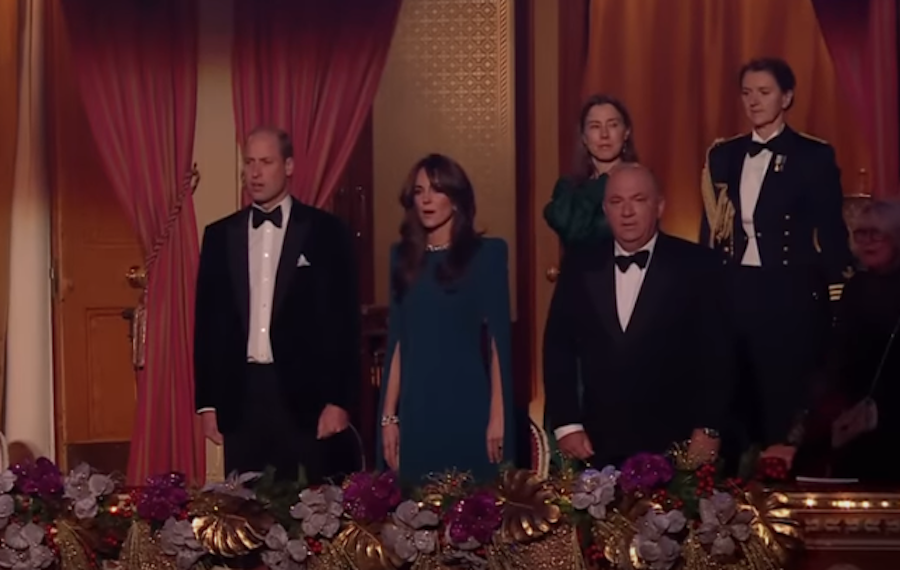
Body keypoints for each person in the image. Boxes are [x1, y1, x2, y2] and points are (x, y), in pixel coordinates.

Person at [700, 58, 854, 464]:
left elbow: (831, 232)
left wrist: (841, 295)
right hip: (735, 290)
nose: (753, 101)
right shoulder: (724, 155)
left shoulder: (812, 156)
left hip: (789, 292)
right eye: (747, 93)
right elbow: (712, 231)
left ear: (786, 98)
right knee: (732, 397)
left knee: (781, 397)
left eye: (764, 92)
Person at [193, 126, 361, 483]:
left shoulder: (326, 232)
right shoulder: (219, 236)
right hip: (241, 397)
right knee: (246, 506)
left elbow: (344, 323)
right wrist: (208, 404)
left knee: (309, 504)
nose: (255, 173)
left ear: (288, 166)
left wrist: (339, 401)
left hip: (305, 398)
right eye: (249, 162)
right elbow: (208, 324)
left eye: (266, 162)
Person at [543, 163, 735, 468]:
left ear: (659, 207)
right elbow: (559, 348)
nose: (627, 212)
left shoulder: (697, 265)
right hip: (596, 446)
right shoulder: (580, 265)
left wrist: (710, 428)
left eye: (638, 200)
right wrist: (567, 425)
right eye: (616, 201)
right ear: (605, 210)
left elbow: (718, 355)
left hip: (677, 445)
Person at [378, 153, 515, 484]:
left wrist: (499, 416)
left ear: (456, 199)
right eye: (419, 191)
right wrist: (389, 417)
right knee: (415, 504)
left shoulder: (487, 254)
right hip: (417, 407)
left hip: (468, 403)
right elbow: (397, 342)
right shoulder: (402, 258)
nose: (426, 199)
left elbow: (498, 342)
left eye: (437, 190)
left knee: (474, 504)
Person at [827, 200, 900, 482]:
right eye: (861, 234)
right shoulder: (856, 286)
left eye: (876, 234)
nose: (867, 242)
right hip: (854, 417)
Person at [544, 94, 639, 250]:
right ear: (584, 137)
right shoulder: (568, 188)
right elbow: (572, 234)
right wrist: (606, 179)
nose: (604, 135)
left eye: (613, 125)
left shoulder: (641, 183)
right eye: (595, 126)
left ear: (626, 132)